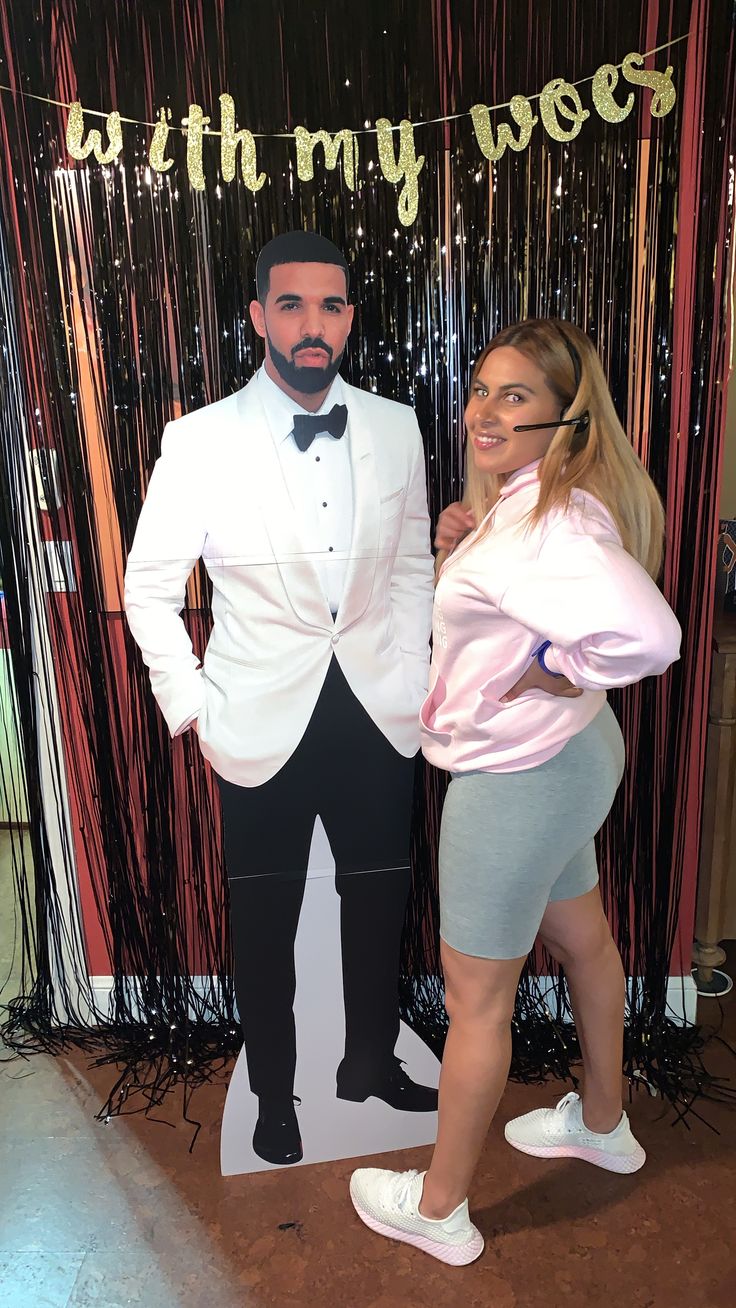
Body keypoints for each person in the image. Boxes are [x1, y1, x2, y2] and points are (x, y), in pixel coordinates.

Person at [349, 318, 681, 1264]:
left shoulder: (548, 521)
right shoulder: (533, 505)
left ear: (565, 420)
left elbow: (652, 639)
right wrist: (465, 535)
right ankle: (605, 1124)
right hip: (566, 761)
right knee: (584, 938)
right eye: (482, 390)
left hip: (517, 780)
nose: (482, 412)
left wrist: (561, 661)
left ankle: (440, 1207)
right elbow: (509, 591)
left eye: (515, 396)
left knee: (478, 998)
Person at [124, 230, 438, 1168]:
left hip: (379, 710)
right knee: (262, 917)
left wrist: (416, 675)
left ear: (349, 318)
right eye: (292, 305)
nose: (314, 326)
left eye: (332, 306)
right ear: (258, 316)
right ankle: (274, 1095)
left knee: (378, 903)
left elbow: (416, 559)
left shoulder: (395, 425)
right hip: (256, 716)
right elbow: (149, 588)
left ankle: (369, 1064)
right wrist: (194, 708)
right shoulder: (199, 438)